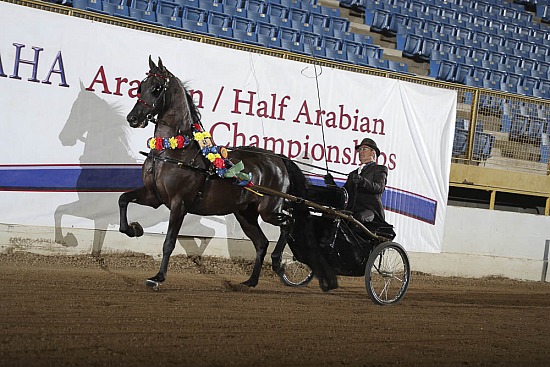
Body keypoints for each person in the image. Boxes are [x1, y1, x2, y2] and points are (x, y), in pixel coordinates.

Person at [325, 137, 388, 226]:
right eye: (360, 150)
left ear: (373, 152)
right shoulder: (353, 173)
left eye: (364, 149)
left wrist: (362, 181)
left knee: (357, 218)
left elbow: (379, 188)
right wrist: (331, 184)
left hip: (370, 210)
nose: (361, 152)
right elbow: (344, 193)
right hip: (351, 210)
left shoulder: (379, 169)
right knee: (329, 215)